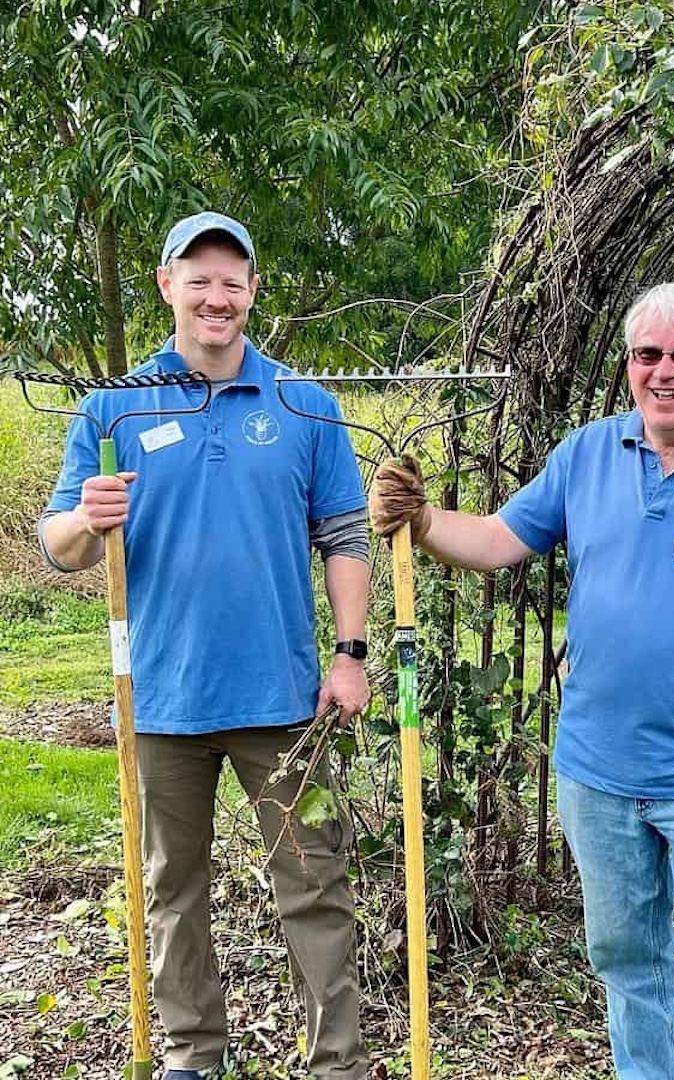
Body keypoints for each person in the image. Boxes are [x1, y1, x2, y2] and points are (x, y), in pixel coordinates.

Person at [369, 279, 674, 1079]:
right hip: (598, 771)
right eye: (646, 354)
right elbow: (495, 539)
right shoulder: (587, 454)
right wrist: (420, 521)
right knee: (629, 966)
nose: (664, 371)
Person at [39, 212, 371, 1080]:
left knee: (314, 885)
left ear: (253, 292)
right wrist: (87, 518)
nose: (216, 297)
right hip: (160, 698)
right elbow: (60, 544)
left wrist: (350, 654)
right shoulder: (115, 406)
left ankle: (335, 1061)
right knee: (172, 892)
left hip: (286, 702)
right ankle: (191, 1055)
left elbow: (345, 538)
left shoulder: (306, 406)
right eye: (200, 278)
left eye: (233, 281)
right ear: (167, 286)